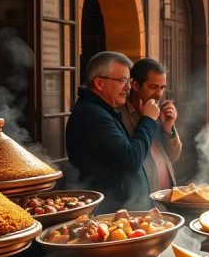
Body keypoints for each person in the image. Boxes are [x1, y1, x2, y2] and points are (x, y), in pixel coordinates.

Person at [65, 51, 159, 212]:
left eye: (128, 81)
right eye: (122, 81)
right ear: (99, 83)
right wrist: (148, 120)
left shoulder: (101, 110)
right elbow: (131, 158)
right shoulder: (92, 115)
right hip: (111, 211)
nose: (128, 87)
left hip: (123, 208)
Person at [116, 58, 182, 193]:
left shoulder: (158, 112)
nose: (159, 94)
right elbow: (131, 159)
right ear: (135, 85)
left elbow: (173, 156)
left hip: (166, 195)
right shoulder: (119, 115)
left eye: (162, 88)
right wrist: (147, 119)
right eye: (153, 87)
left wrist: (168, 128)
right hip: (142, 200)